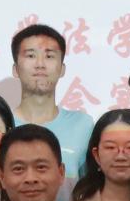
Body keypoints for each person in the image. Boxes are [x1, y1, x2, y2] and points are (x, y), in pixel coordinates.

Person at [10, 23, 95, 179]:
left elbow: (92, 185)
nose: (40, 64)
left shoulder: (83, 125)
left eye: (49, 56)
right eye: (31, 56)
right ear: (15, 69)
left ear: (62, 69)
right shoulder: (0, 125)